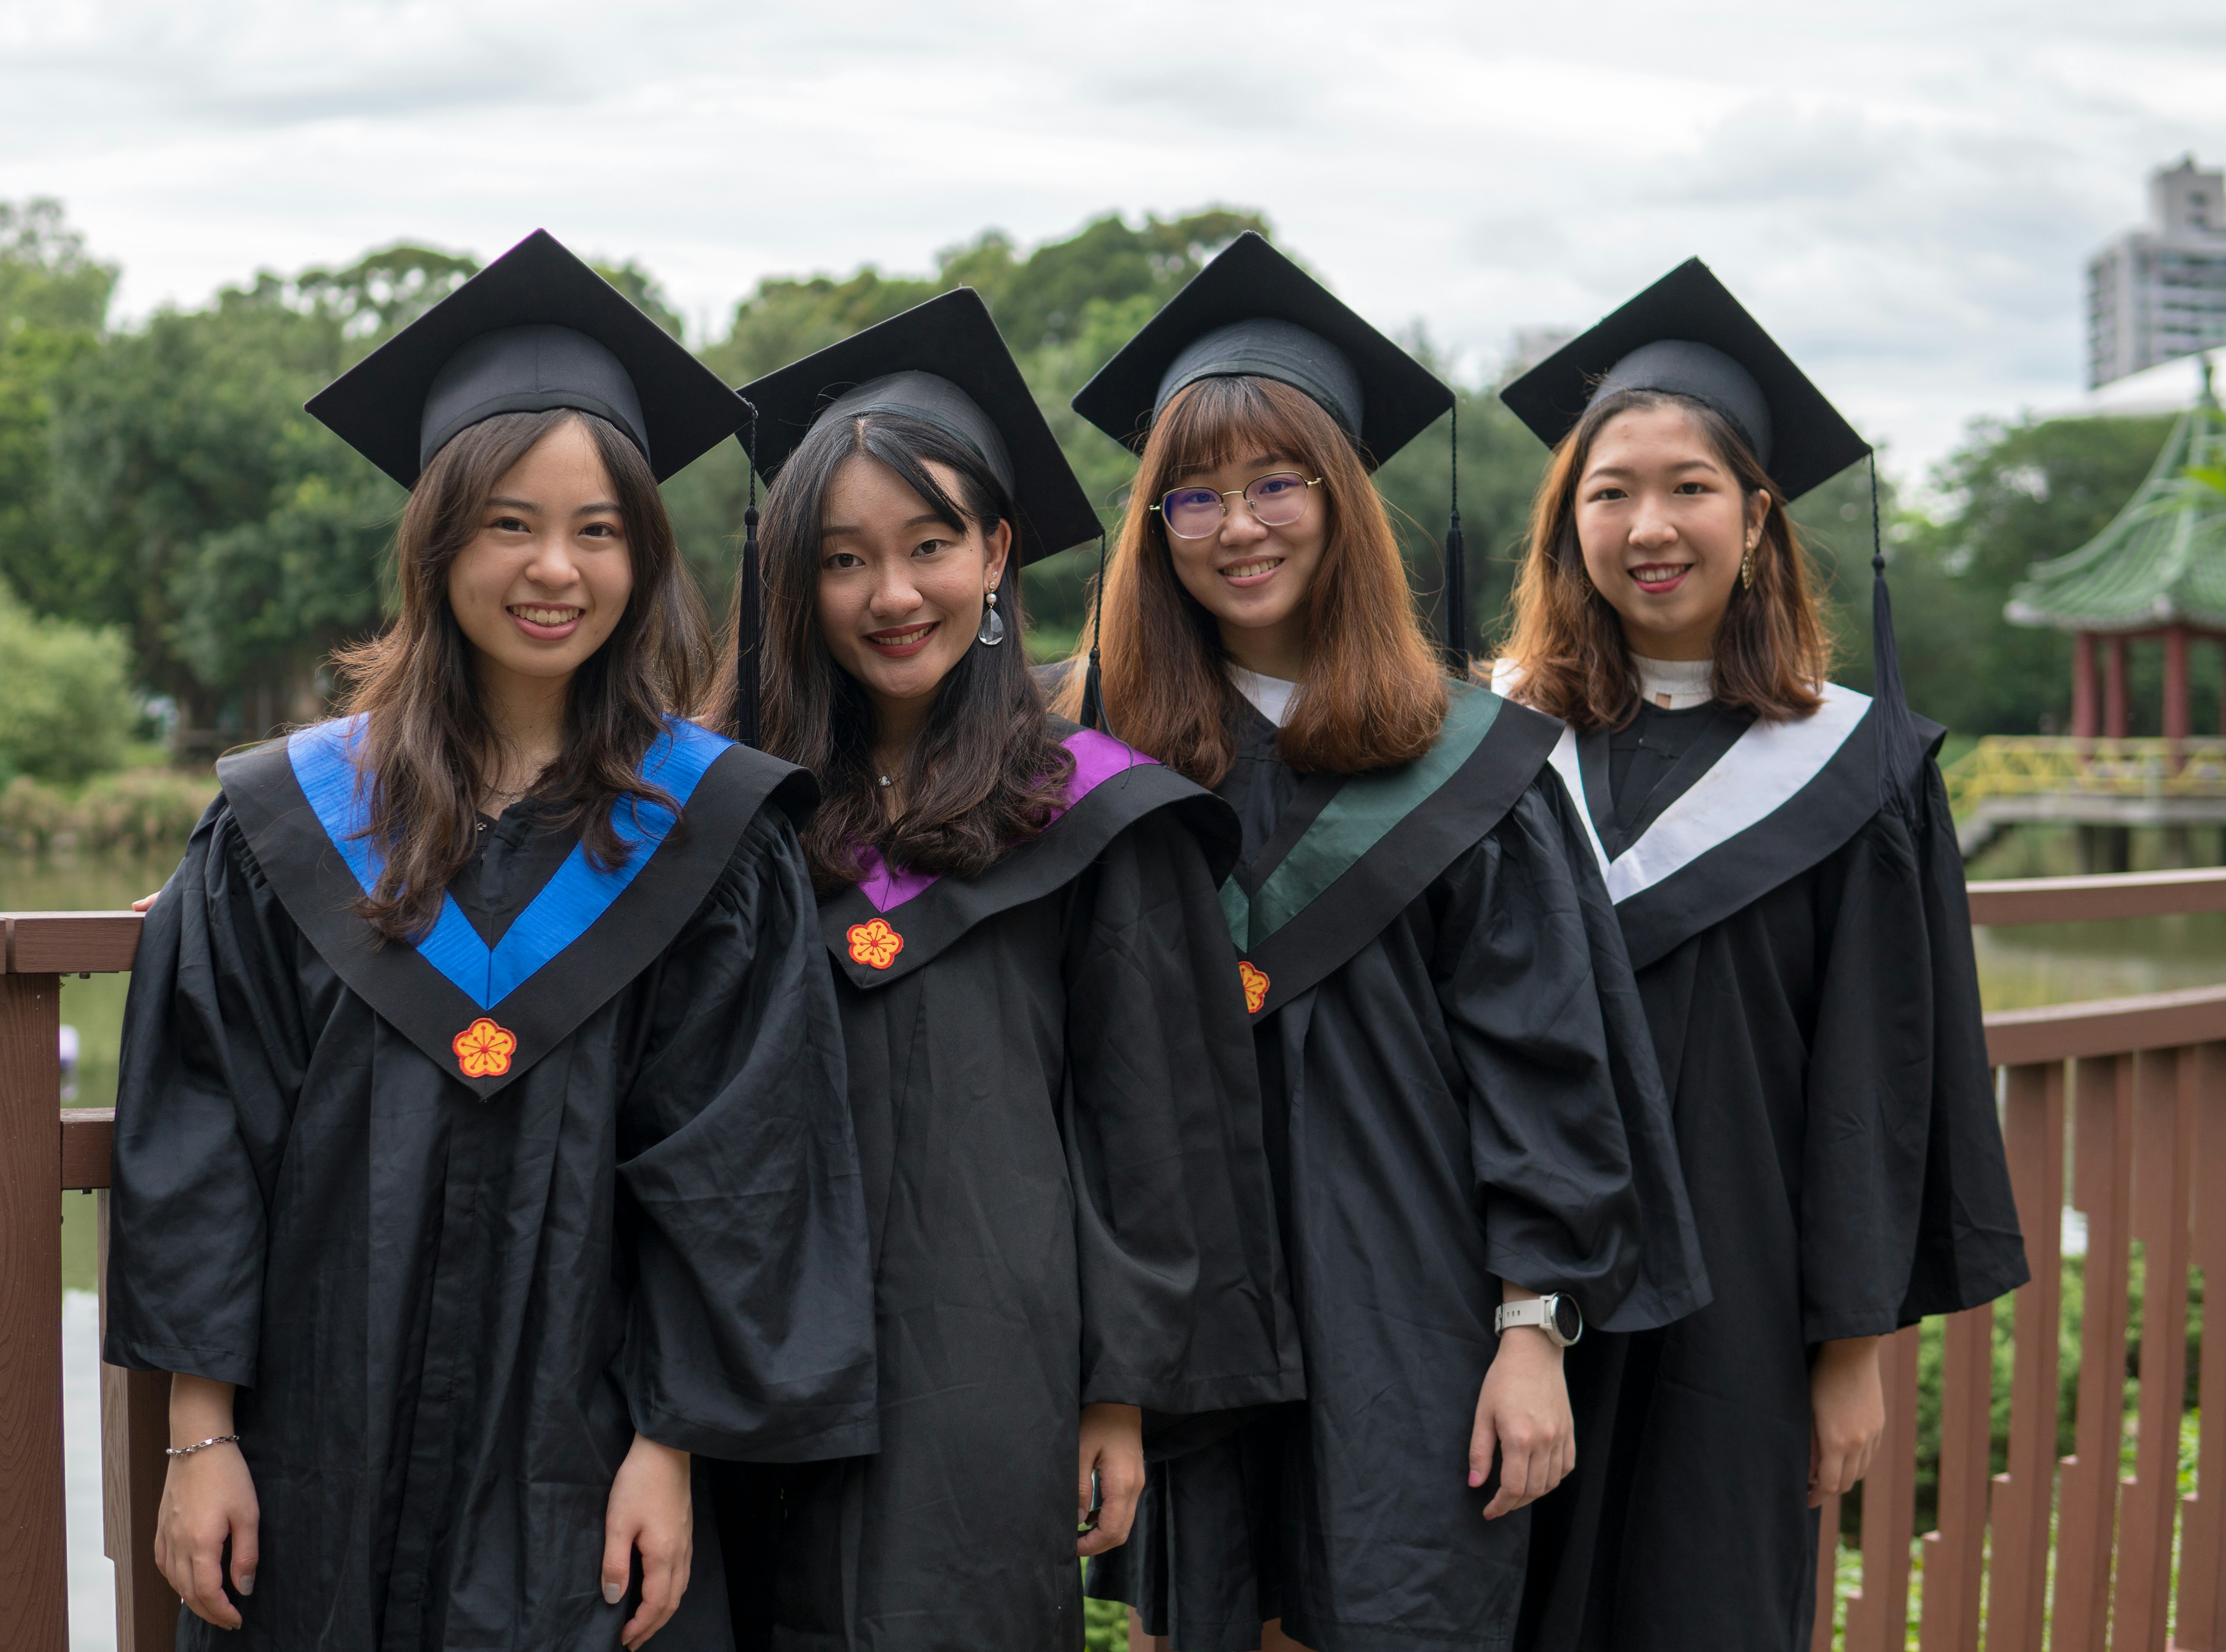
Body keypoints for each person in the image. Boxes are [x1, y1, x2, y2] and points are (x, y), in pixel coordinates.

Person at [104, 230, 879, 1652]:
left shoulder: (708, 837)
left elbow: (735, 1168)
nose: (555, 569)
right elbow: (202, 1135)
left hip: (581, 1462)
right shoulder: (288, 822)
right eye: (510, 523)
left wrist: (672, 1441)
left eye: (599, 531)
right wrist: (195, 1434)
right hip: (314, 1441)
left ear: (643, 557)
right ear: (438, 537)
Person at [1061, 232, 1707, 1652]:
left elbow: (1547, 1069)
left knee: (1402, 1608)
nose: (1241, 527)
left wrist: (1532, 1326)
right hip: (1189, 1314)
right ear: (1152, 524)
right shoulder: (1096, 762)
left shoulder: (1470, 766)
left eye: (1278, 483)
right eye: (1198, 495)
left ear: (1344, 501)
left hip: (1409, 1308)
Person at [705, 288, 1304, 1652]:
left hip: (993, 1346)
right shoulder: (734, 808)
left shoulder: (1092, 814)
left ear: (996, 554)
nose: (892, 593)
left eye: (930, 544)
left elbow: (1148, 1124)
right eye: (847, 558)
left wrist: (1115, 1394)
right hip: (746, 1344)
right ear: (796, 578)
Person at [1492, 258, 2030, 1652]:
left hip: (1742, 1313)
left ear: (1756, 515)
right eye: (1610, 491)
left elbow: (1881, 1077)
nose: (1648, 524)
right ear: (1569, 524)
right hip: (1501, 1305)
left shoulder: (1856, 771)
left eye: (1690, 487)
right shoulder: (1487, 751)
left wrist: (1850, 1355)